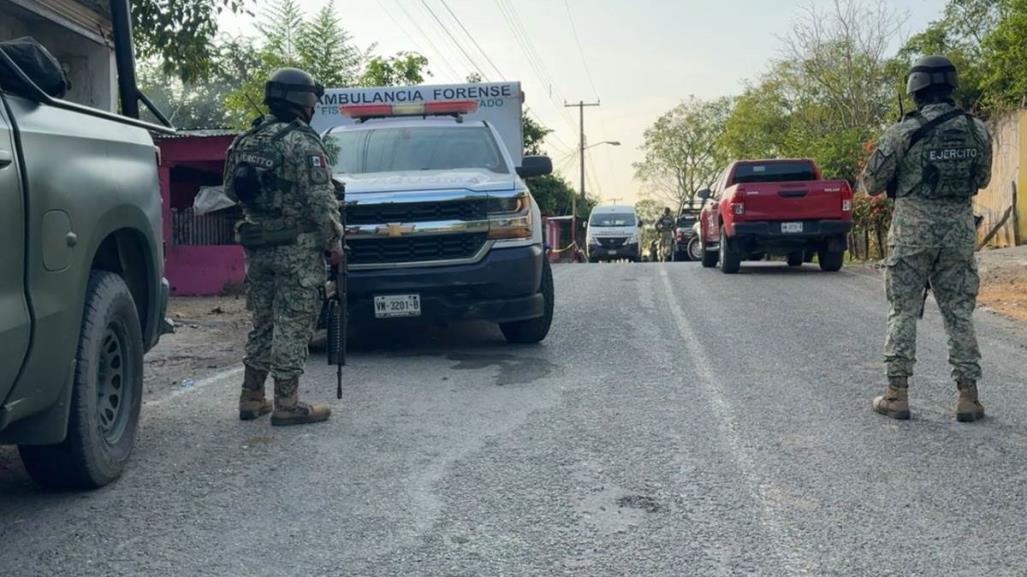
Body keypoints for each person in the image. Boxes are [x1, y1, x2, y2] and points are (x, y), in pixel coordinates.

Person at [860, 55, 992, 423]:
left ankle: (896, 395)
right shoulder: (976, 129)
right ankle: (969, 397)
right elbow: (982, 179)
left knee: (902, 311)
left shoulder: (902, 131)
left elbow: (871, 184)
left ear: (914, 89)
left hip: (911, 234)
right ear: (951, 86)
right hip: (957, 234)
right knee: (959, 313)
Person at [224, 68, 344, 426]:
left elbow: (230, 190)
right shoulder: (303, 143)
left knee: (263, 321)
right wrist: (334, 242)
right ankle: (288, 404)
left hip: (257, 248)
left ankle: (252, 397)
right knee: (293, 323)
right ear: (303, 101)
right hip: (297, 251)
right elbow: (321, 201)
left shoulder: (246, 139)